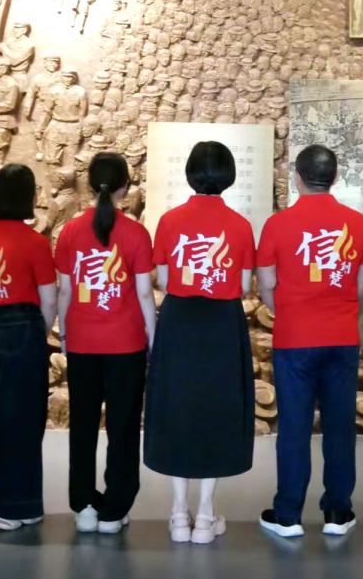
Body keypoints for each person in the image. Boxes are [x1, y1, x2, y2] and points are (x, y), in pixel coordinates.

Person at [256, 144, 363, 537]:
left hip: (294, 338)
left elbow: (266, 284)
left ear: (297, 177)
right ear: (335, 177)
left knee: (294, 426)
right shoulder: (358, 224)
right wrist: (338, 305)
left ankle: (288, 514)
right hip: (342, 337)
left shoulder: (277, 225)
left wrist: (288, 309)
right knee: (340, 426)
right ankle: (338, 512)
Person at [144, 142, 255, 543]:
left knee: (178, 406)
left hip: (180, 321)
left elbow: (161, 278)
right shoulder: (240, 226)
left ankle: (178, 513)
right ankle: (205, 515)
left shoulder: (169, 220)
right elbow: (244, 285)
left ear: (190, 172)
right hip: (222, 323)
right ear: (228, 175)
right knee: (216, 409)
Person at [54, 153, 155, 535]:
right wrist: (153, 339)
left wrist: (64, 336)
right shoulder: (136, 233)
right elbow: (143, 294)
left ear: (89, 184)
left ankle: (83, 506)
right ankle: (114, 509)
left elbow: (65, 291)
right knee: (123, 428)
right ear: (125, 188)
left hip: (82, 343)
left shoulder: (69, 232)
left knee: (81, 426)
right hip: (126, 345)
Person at [0, 164, 57, 531]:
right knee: (20, 419)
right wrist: (39, 332)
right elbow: (49, 299)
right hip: (20, 327)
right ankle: (17, 507)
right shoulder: (35, 242)